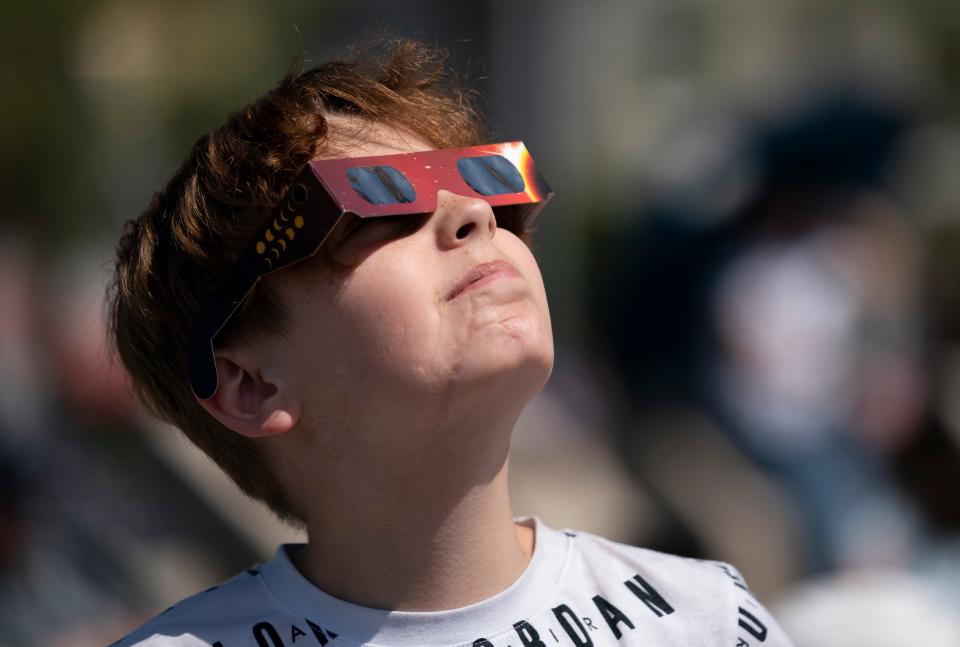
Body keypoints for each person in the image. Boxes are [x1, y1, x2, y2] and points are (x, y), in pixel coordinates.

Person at [108, 38, 793, 646]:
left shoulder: (704, 618)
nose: (473, 214)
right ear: (252, 383)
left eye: (488, 181)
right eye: (375, 204)